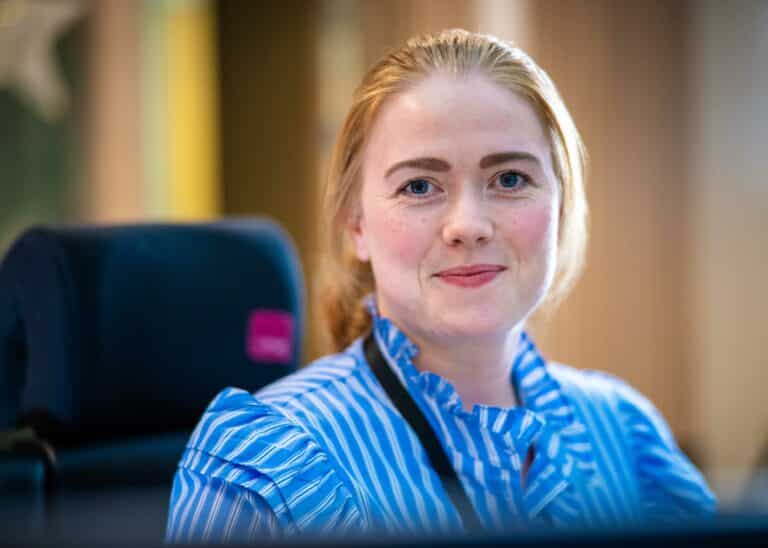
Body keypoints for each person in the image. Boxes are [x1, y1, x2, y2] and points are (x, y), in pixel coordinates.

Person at [165, 29, 716, 542]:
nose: (468, 226)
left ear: (561, 206)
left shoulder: (624, 434)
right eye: (420, 186)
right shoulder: (265, 464)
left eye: (510, 179)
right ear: (356, 225)